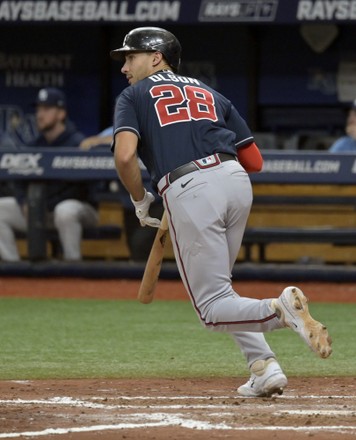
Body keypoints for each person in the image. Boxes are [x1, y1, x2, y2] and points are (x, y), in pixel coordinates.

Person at [110, 27, 332, 397]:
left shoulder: (132, 95)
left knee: (211, 309)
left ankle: (280, 309)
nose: (124, 67)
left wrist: (140, 199)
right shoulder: (210, 91)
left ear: (156, 57)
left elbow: (124, 156)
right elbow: (254, 160)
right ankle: (263, 367)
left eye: (131, 57)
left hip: (190, 189)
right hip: (236, 181)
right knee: (222, 293)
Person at [0, 88, 98, 262]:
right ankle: (14, 268)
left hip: (80, 210)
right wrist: (25, 201)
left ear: (61, 114)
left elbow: (82, 190)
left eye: (46, 109)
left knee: (65, 210)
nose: (39, 115)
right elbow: (18, 181)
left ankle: (73, 266)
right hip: (41, 212)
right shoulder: (34, 146)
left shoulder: (77, 143)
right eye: (38, 109)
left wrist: (40, 203)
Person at [80, 126, 164, 261]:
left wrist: (119, 140)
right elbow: (86, 144)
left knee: (140, 246)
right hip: (132, 202)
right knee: (134, 251)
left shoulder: (154, 121)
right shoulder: (122, 124)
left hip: (158, 200)